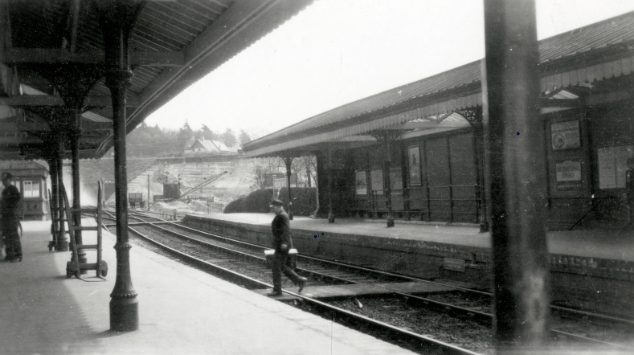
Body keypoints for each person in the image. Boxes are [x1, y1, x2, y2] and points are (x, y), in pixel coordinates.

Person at [268, 198, 307, 296]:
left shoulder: (282, 216)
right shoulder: (281, 215)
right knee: (282, 266)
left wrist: (284, 242)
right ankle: (299, 280)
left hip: (283, 245)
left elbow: (286, 230)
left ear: (278, 207)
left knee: (276, 267)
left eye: (273, 208)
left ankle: (277, 290)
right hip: (281, 245)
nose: (272, 210)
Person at [1, 172, 22, 262]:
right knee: (6, 235)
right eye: (2, 180)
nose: (3, 182)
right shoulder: (4, 191)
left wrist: (8, 208)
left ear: (10, 180)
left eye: (5, 180)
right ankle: (10, 254)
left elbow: (16, 202)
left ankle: (18, 255)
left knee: (13, 235)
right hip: (5, 215)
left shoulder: (14, 190)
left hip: (12, 215)